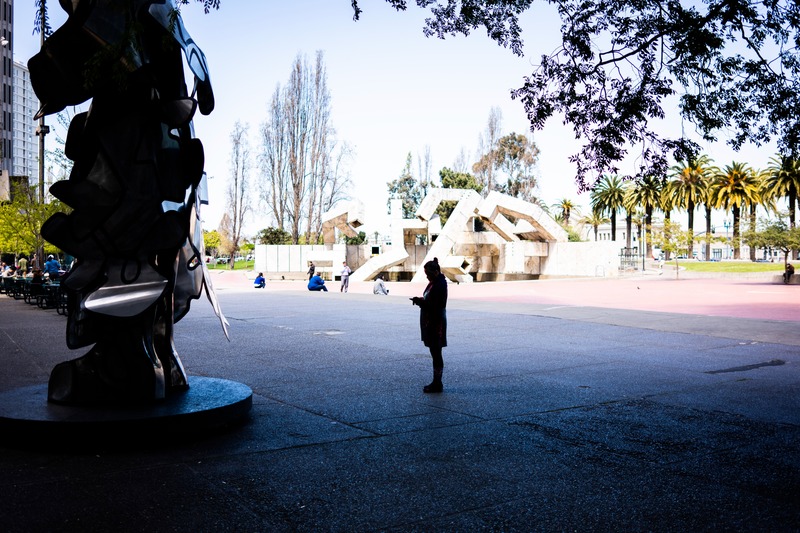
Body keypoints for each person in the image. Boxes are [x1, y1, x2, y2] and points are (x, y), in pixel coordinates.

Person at [411, 257, 448, 393]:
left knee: (436, 352)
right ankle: (436, 381)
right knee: (434, 352)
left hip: (436, 323)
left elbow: (434, 305)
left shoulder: (439, 285)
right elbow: (430, 300)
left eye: (428, 274)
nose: (427, 277)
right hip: (432, 321)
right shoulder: (435, 282)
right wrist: (421, 300)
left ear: (436, 272)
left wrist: (420, 302)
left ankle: (437, 383)